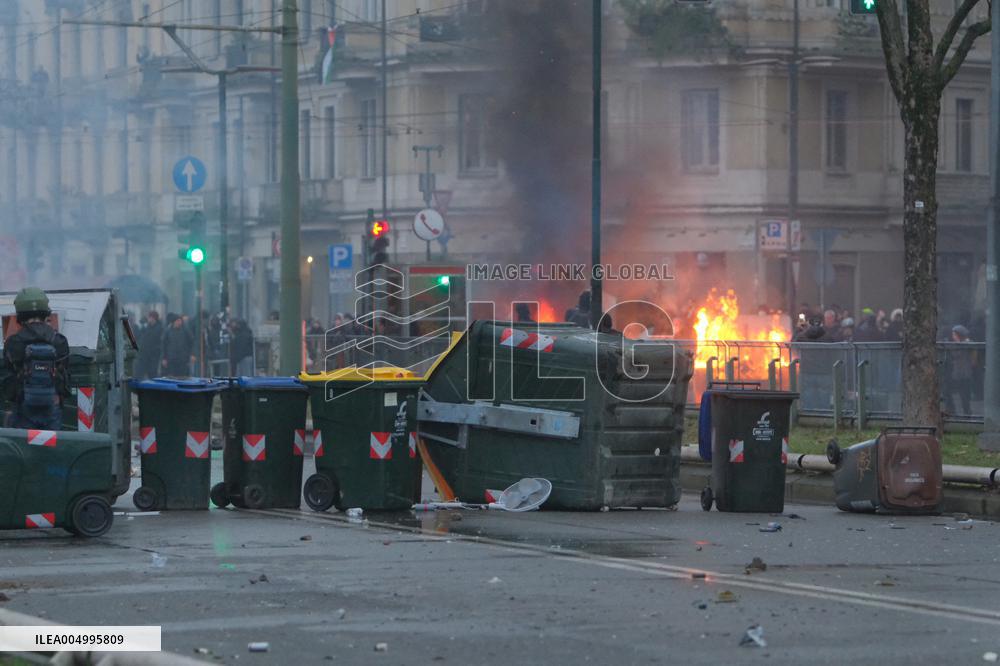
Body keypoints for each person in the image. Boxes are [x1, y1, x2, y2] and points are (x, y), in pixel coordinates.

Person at [1, 287, 70, 430]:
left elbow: (8, 377)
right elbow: (65, 375)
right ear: (46, 311)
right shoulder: (60, 341)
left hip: (23, 409)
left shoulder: (13, 342)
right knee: (50, 449)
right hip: (52, 407)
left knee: (24, 450)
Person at [944, 324, 973, 416]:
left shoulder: (967, 344)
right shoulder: (956, 344)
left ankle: (967, 412)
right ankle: (951, 410)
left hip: (964, 374)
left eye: (954, 334)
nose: (953, 336)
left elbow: (957, 354)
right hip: (955, 374)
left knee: (964, 395)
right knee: (947, 391)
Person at [136, 311, 163, 379]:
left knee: (153, 373)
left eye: (151, 317)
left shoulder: (160, 328)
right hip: (145, 355)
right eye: (149, 317)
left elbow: (161, 341)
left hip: (154, 355)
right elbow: (141, 338)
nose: (149, 319)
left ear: (154, 318)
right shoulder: (147, 327)